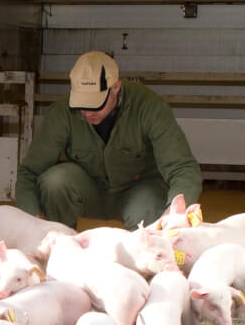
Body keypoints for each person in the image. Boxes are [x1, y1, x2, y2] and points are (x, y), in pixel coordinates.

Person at [15, 50, 203, 231]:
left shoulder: (149, 107)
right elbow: (29, 173)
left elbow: (183, 168)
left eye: (95, 104)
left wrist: (174, 212)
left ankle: (144, 255)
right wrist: (33, 222)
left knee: (146, 210)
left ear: (116, 88)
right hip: (89, 189)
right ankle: (62, 245)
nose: (87, 112)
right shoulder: (62, 112)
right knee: (54, 182)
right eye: (81, 104)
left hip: (139, 190)